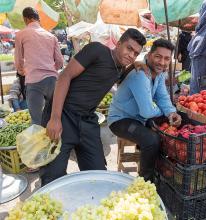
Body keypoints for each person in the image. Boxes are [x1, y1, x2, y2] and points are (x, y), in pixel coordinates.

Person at [41, 28, 146, 186]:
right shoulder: (97, 50)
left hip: (87, 120)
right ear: (118, 44)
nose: (131, 55)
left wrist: (135, 65)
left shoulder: (120, 68)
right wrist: (55, 118)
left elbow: (114, 77)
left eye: (136, 53)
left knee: (97, 175)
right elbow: (64, 76)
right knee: (53, 177)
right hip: (63, 114)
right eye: (129, 48)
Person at [107, 39, 182, 181]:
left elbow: (162, 97)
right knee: (151, 139)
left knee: (161, 129)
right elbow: (147, 112)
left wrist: (171, 112)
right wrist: (163, 111)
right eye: (158, 57)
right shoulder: (140, 75)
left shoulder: (159, 75)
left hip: (138, 119)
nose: (162, 62)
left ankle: (157, 167)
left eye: (166, 58)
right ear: (149, 56)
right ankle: (146, 181)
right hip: (120, 120)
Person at [14, 7, 63, 125]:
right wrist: (50, 69)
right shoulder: (51, 36)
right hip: (52, 80)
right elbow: (60, 62)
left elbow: (18, 61)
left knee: (37, 120)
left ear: (26, 19)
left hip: (34, 80)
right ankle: (57, 142)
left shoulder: (21, 34)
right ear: (38, 19)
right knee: (54, 117)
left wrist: (22, 71)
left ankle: (42, 142)